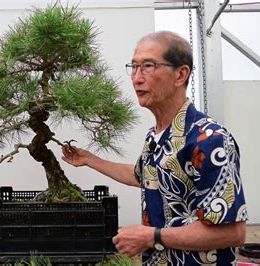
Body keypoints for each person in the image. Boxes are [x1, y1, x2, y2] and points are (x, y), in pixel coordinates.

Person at [61, 31, 248, 265]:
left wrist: (152, 236)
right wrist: (89, 159)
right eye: (134, 67)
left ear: (181, 74)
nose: (136, 78)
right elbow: (142, 176)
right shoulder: (156, 135)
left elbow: (233, 232)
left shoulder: (209, 140)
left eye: (148, 66)